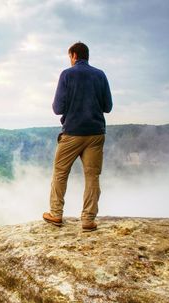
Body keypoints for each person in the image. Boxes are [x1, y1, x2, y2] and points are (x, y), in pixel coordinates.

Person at [43, 42, 112, 231]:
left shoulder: (67, 74)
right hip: (96, 133)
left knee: (60, 172)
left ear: (74, 55)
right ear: (86, 56)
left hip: (72, 132)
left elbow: (58, 109)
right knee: (92, 176)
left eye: (70, 57)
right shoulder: (100, 75)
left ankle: (56, 214)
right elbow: (108, 107)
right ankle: (88, 220)